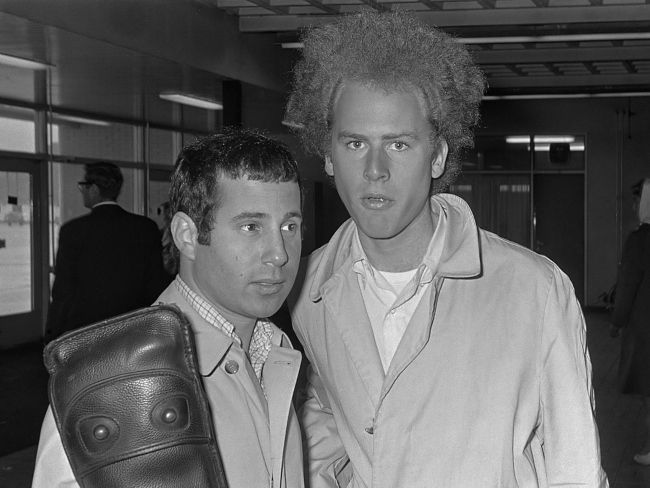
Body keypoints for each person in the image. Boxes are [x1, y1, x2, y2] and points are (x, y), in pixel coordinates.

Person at [285, 11, 608, 488]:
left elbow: (575, 468)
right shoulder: (306, 290)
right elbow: (326, 434)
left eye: (398, 144)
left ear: (438, 156)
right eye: (355, 143)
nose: (374, 169)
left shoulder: (532, 290)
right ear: (328, 155)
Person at [32, 128, 306, 488]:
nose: (280, 253)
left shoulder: (275, 350)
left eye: (290, 226)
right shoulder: (107, 384)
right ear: (187, 235)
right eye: (251, 226)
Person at [46, 162, 167, 339]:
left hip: (86, 329)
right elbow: (156, 283)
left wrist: (52, 333)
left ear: (94, 189)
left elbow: (63, 291)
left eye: (84, 187)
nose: (83, 192)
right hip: (133, 327)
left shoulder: (73, 231)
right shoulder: (145, 228)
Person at [611, 178, 650, 465]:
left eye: (639, 199)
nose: (635, 205)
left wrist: (617, 320)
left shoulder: (640, 240)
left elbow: (627, 286)